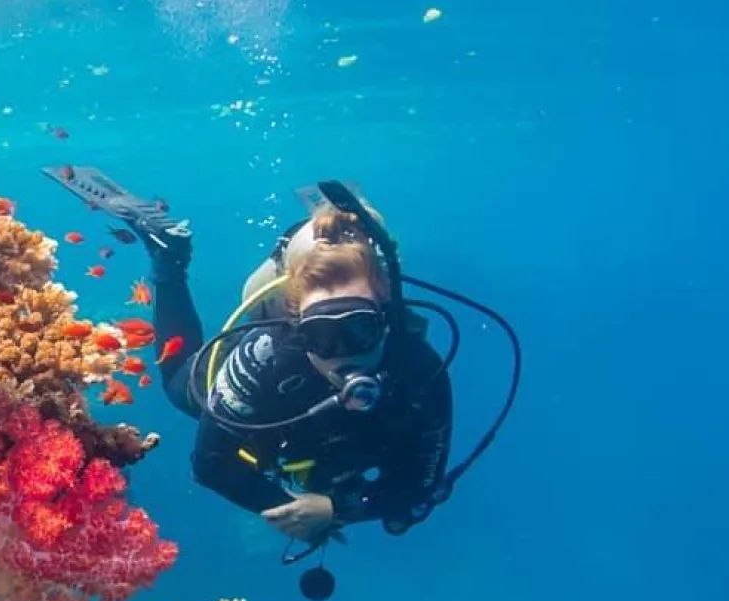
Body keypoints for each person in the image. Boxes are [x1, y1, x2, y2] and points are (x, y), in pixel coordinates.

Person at [45, 168, 454, 552]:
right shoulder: (267, 356)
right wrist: (287, 507)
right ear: (294, 323)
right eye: (320, 335)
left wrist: (334, 510)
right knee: (178, 388)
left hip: (317, 457)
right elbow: (209, 465)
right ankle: (169, 261)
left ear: (385, 315)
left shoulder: (420, 371)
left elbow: (422, 485)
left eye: (359, 328)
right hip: (266, 413)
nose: (343, 353)